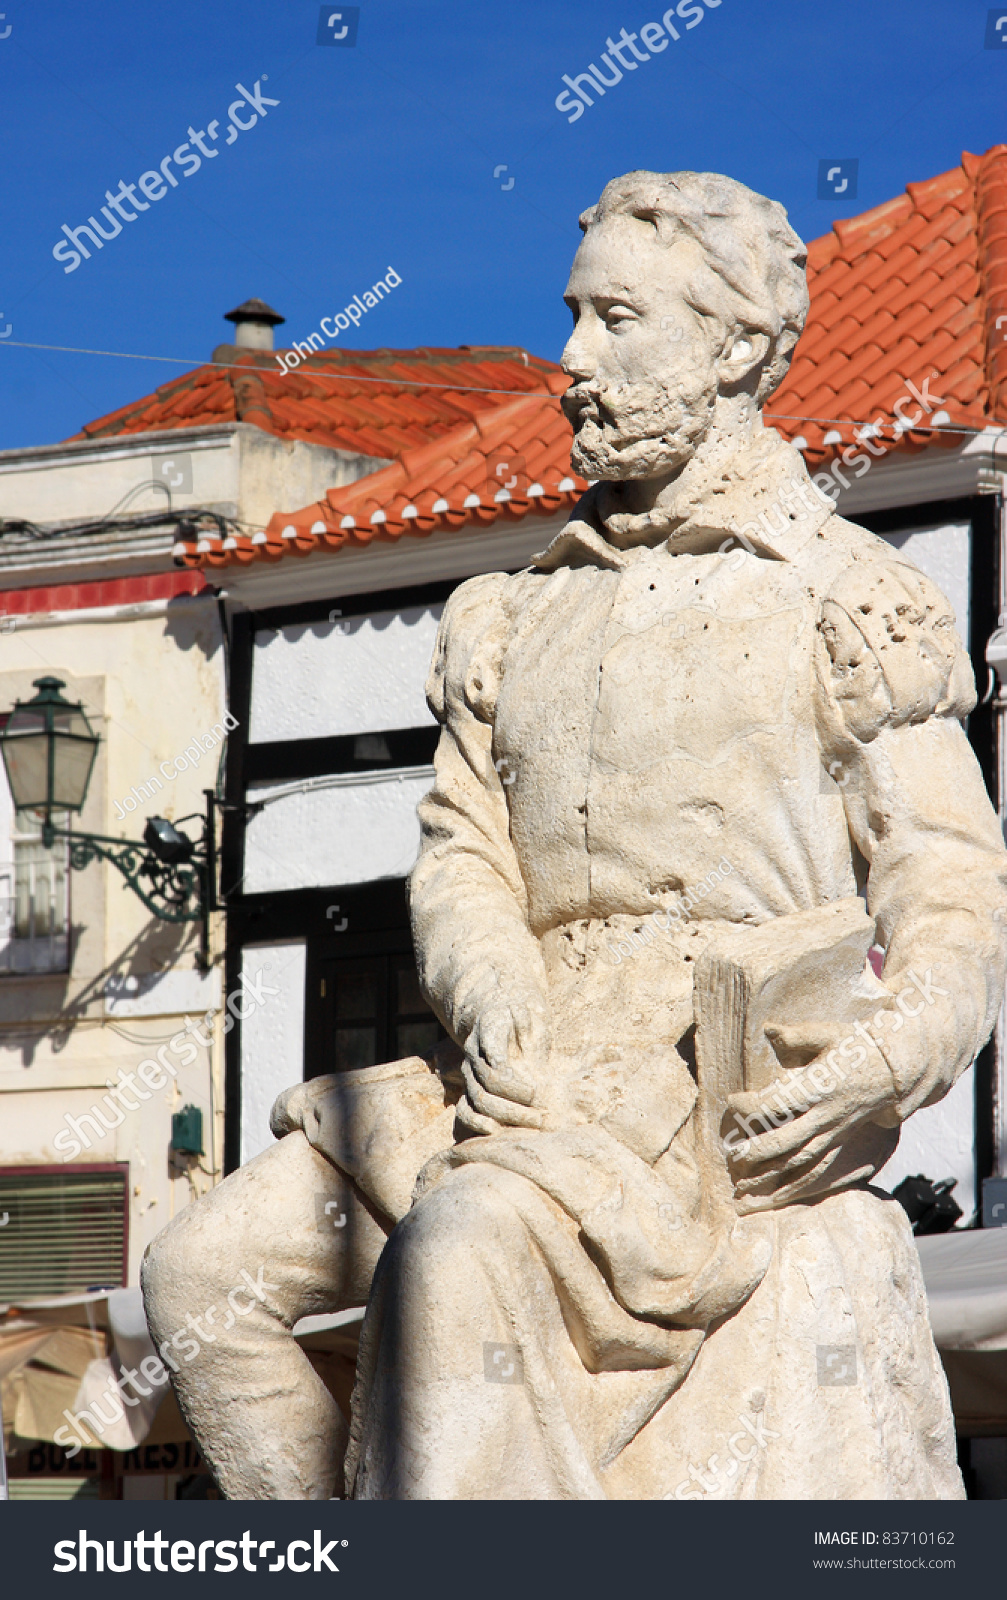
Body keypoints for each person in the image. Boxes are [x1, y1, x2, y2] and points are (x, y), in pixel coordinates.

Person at [143, 170, 1007, 1500]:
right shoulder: (514, 613)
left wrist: (887, 1063)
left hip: (698, 1094)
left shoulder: (841, 598)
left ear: (731, 350)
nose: (570, 362)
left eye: (615, 321)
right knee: (202, 1273)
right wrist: (490, 1000)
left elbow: (949, 875)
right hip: (514, 1066)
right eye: (573, 317)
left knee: (462, 1250)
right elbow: (463, 854)